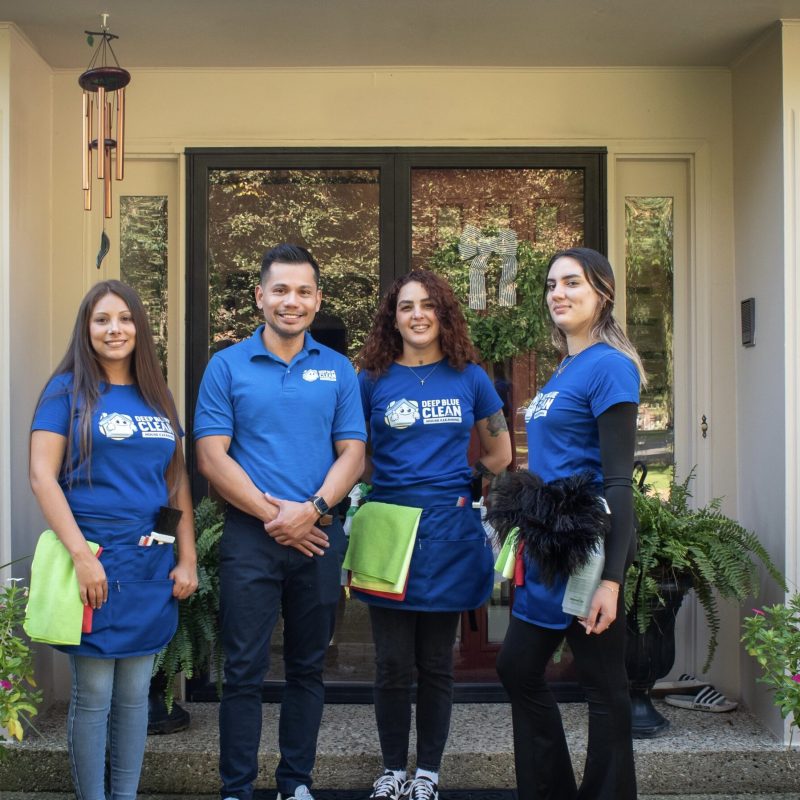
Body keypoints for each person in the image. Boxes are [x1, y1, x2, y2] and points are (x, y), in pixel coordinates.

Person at [194, 244, 366, 800]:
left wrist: (312, 510)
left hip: (318, 536)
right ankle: (236, 788)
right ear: (260, 296)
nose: (291, 301)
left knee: (308, 668)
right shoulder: (226, 366)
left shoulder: (339, 369)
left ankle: (296, 783)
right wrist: (277, 516)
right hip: (251, 537)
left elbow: (354, 454)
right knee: (242, 670)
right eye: (281, 289)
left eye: (303, 291)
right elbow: (212, 457)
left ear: (316, 300)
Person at [29, 280, 198, 800]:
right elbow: (41, 475)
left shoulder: (157, 394)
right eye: (101, 319)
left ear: (140, 328)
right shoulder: (65, 391)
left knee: (133, 694)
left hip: (148, 564)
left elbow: (175, 481)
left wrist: (185, 555)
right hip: (94, 562)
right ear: (86, 329)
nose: (114, 329)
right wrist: (82, 557)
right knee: (95, 692)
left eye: (124, 318)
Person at [494, 247, 645, 800]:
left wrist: (611, 579)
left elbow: (618, 483)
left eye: (572, 283)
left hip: (586, 548)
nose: (558, 293)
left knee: (605, 689)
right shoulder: (566, 366)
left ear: (602, 293)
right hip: (547, 543)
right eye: (552, 284)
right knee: (517, 668)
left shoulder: (609, 365)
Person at [355, 270, 512, 800]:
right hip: (387, 529)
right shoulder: (371, 379)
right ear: (392, 318)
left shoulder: (471, 377)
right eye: (405, 306)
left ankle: (428, 775)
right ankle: (391, 771)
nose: (417, 314)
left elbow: (500, 454)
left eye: (427, 305)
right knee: (392, 662)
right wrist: (394, 484)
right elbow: (354, 454)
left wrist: (460, 485)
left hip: (448, 529)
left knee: (435, 665)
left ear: (443, 315)